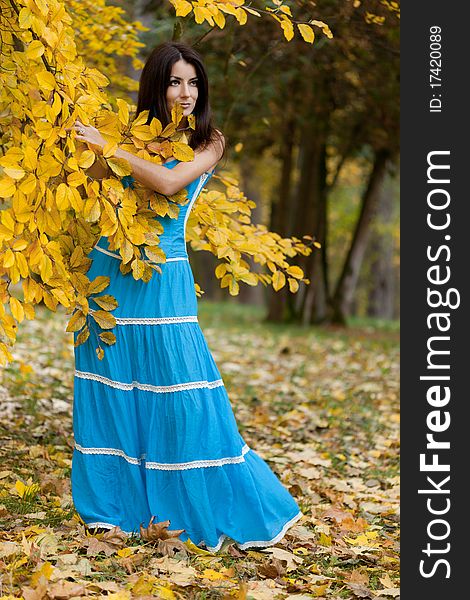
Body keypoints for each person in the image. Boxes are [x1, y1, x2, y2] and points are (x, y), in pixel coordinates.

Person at [71, 41, 303, 552]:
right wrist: (85, 147)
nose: (185, 92)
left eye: (193, 82)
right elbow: (95, 183)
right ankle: (112, 510)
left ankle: (195, 503)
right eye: (175, 81)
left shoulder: (208, 140)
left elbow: (171, 184)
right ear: (156, 85)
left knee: (178, 389)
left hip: (162, 277)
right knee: (113, 385)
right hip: (110, 270)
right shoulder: (130, 135)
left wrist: (110, 149)